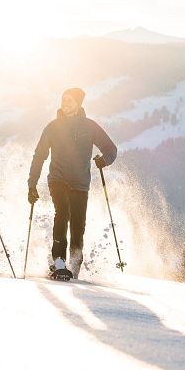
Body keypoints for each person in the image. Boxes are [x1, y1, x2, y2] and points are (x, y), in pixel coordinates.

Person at [28, 87, 117, 279]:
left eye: (69, 100)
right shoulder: (52, 127)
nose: (65, 103)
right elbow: (39, 156)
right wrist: (32, 184)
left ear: (78, 103)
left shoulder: (90, 126)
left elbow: (111, 148)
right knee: (63, 212)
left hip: (81, 182)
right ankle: (58, 261)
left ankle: (75, 262)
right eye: (63, 100)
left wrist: (105, 159)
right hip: (58, 179)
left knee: (78, 224)